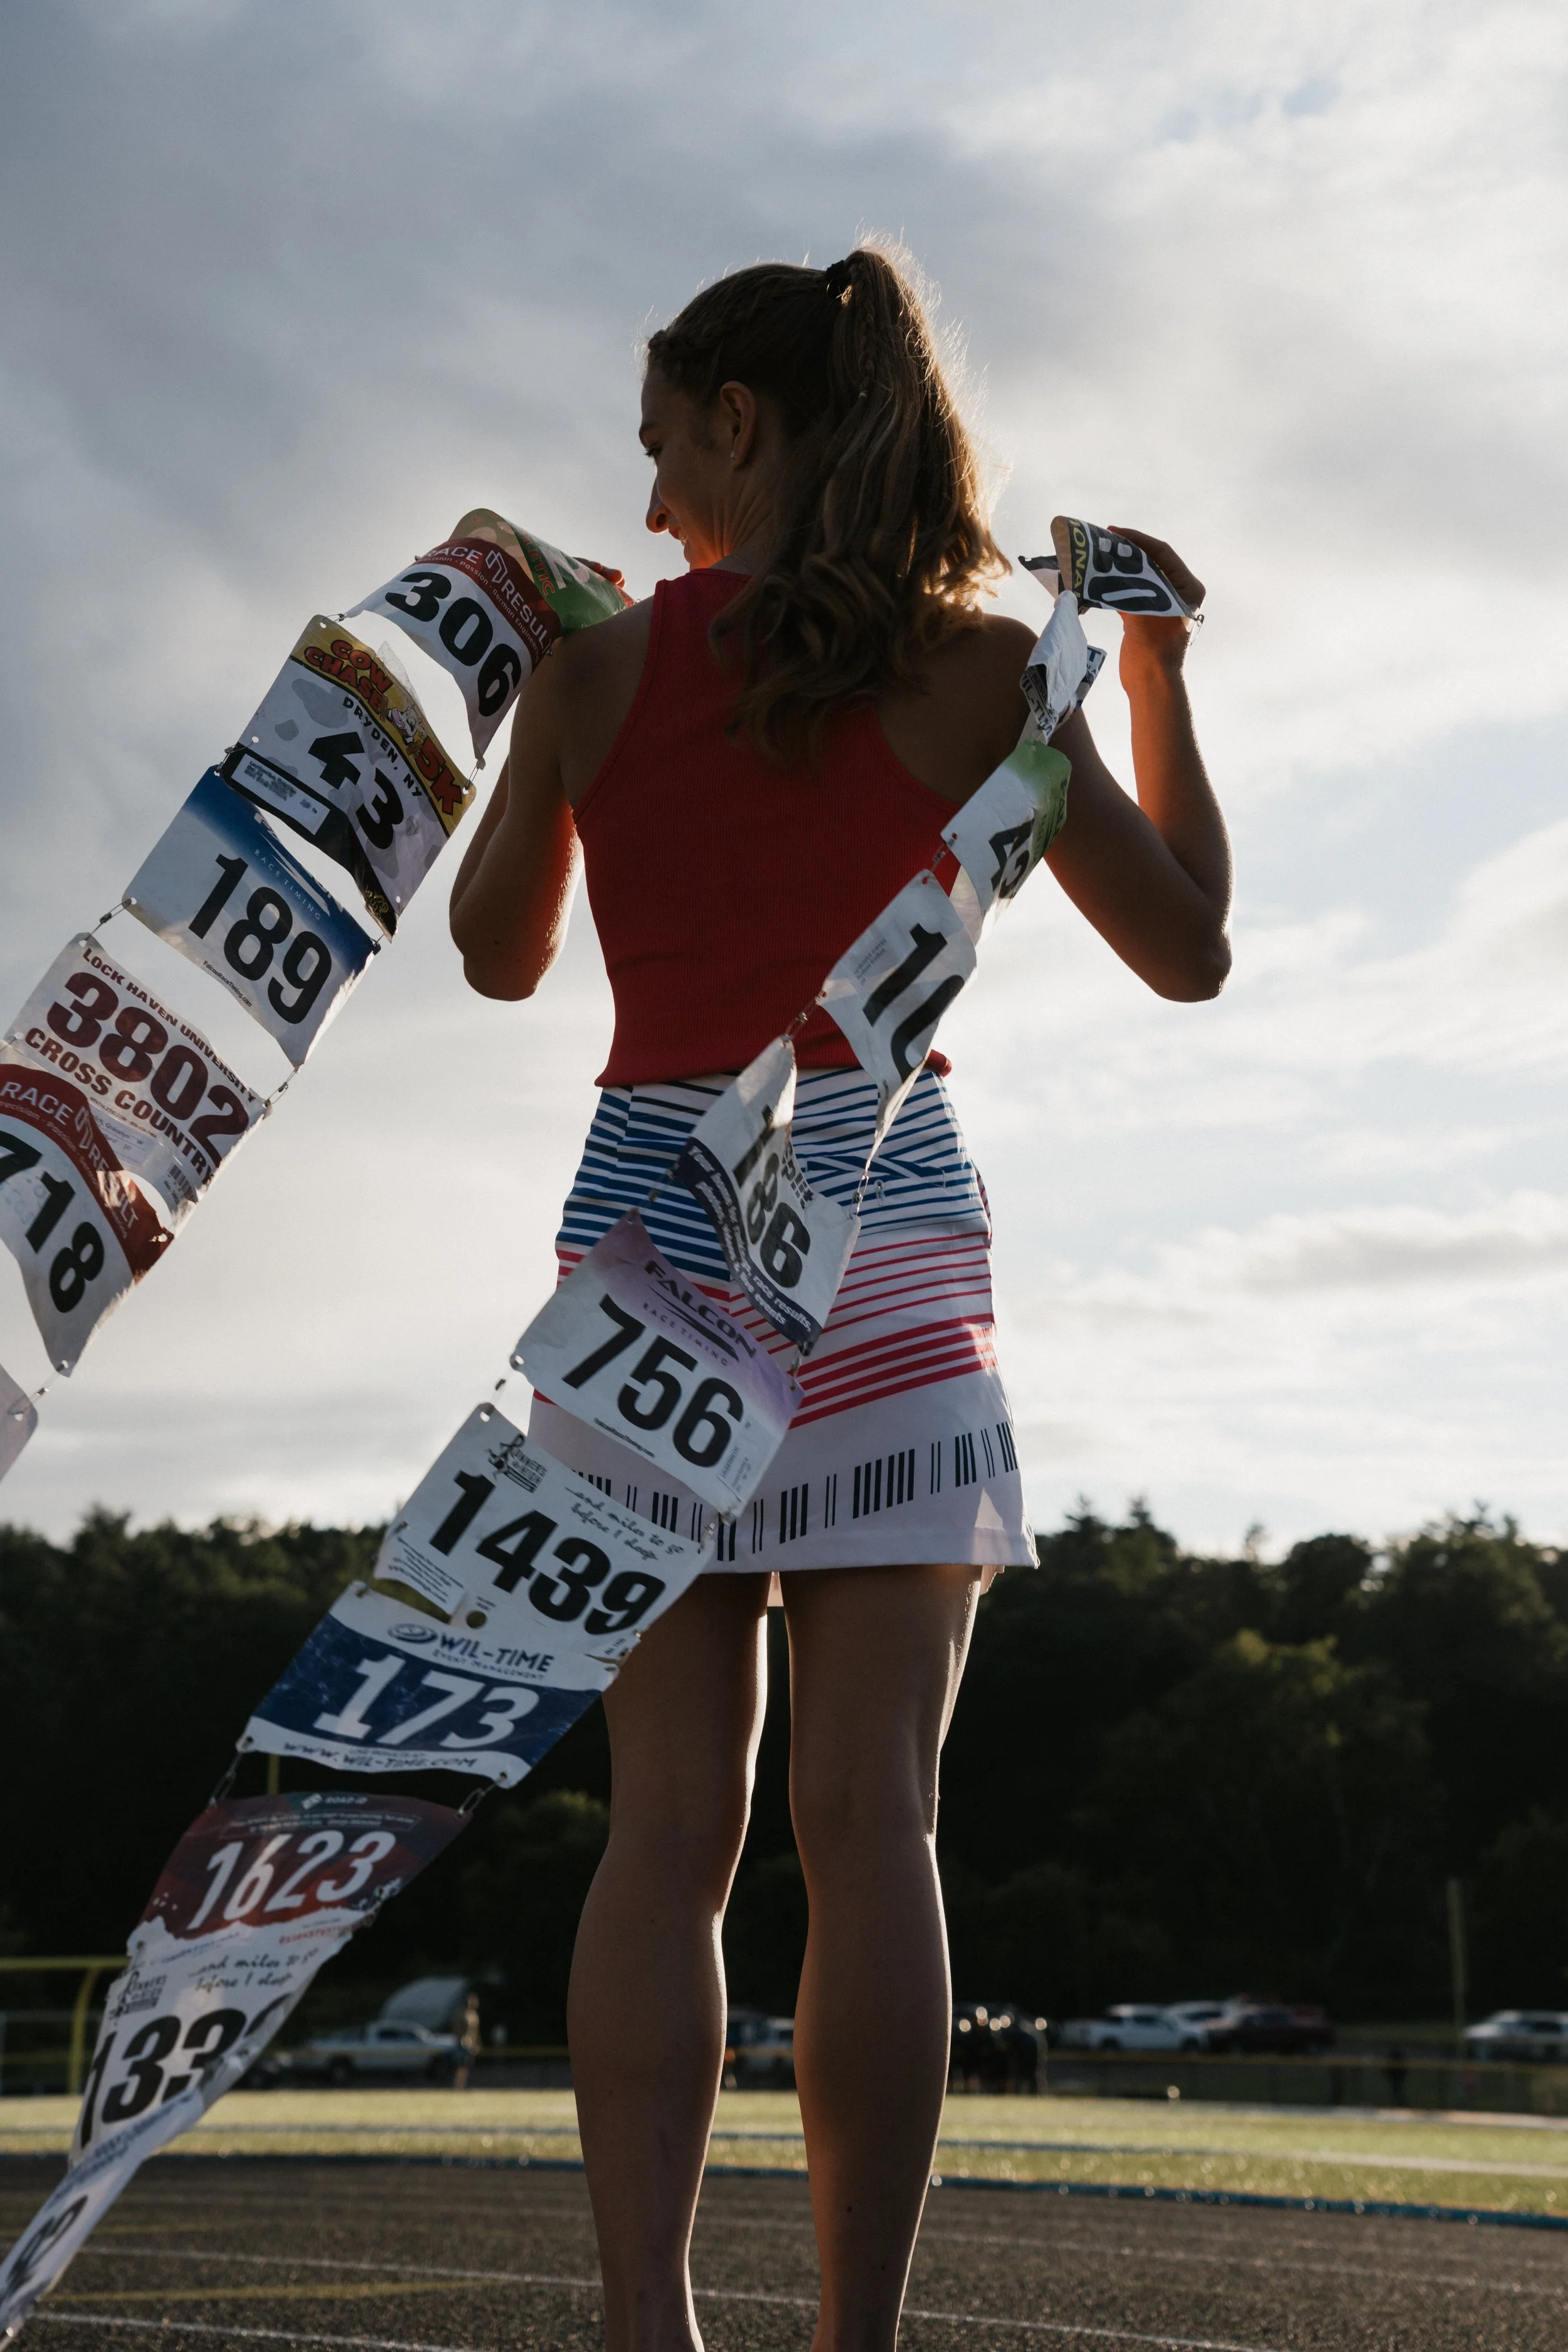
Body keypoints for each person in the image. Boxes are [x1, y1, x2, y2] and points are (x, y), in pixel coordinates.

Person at [449, 244, 1230, 2352]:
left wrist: (544, 703)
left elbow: (501, 957)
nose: (641, 512)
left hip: (650, 1258)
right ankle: (854, 2342)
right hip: (880, 1214)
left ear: (738, 421)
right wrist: (1144, 672)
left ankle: (644, 2324)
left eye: (656, 450)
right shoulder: (990, 677)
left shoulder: (603, 675)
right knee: (873, 1818)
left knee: (667, 1835)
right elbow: (1192, 950)